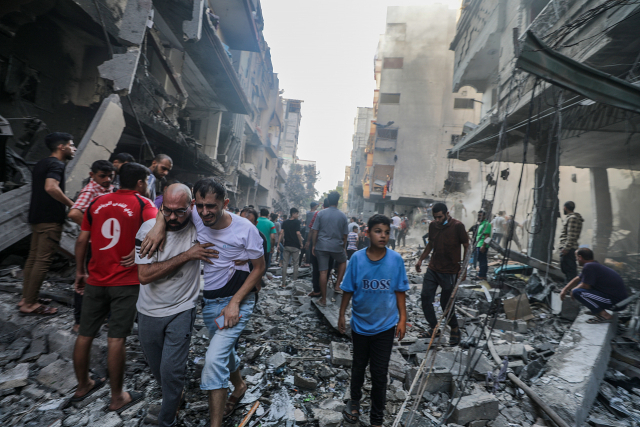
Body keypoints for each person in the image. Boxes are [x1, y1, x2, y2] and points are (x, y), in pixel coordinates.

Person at [139, 178, 265, 427]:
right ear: (195, 204)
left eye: (212, 206)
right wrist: (159, 225)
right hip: (210, 303)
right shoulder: (195, 216)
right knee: (223, 349)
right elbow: (172, 207)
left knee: (213, 361)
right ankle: (239, 386)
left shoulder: (245, 229)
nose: (206, 212)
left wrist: (235, 303)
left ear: (225, 203)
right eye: (201, 206)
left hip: (237, 302)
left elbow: (259, 269)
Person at [71, 162, 157, 412]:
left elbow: (82, 239)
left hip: (96, 279)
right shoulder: (143, 204)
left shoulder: (97, 203)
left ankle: (82, 385)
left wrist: (80, 271)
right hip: (126, 282)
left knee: (85, 333)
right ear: (141, 183)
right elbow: (157, 230)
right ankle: (117, 397)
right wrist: (138, 251)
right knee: (116, 338)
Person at [135, 184, 218, 427]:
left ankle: (167, 420)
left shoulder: (199, 226)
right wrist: (187, 255)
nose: (173, 217)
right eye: (167, 211)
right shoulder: (148, 230)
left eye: (179, 212)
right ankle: (174, 395)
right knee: (159, 371)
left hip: (182, 308)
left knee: (172, 372)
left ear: (191, 207)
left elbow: (223, 219)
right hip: (148, 310)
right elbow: (145, 275)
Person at [338, 214, 408, 427]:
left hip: (385, 326)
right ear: (367, 233)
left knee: (379, 373)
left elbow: (399, 291)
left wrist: (403, 319)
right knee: (358, 366)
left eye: (387, 232)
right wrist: (341, 314)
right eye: (378, 231)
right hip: (360, 325)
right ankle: (355, 401)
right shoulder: (357, 259)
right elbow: (348, 290)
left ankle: (377, 418)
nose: (383, 236)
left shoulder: (395, 260)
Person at [19, 132, 76, 315]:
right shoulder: (56, 164)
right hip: (50, 219)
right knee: (42, 262)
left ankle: (26, 298)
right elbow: (51, 187)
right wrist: (71, 204)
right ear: (62, 147)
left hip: (36, 217)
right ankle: (31, 304)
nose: (74, 148)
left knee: (33, 259)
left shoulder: (42, 163)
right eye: (71, 144)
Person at [68, 159, 116, 332]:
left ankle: (101, 315)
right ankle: (79, 322)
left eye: (110, 176)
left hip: (106, 244)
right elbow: (73, 213)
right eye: (102, 176)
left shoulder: (108, 188)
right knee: (85, 281)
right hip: (91, 245)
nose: (107, 179)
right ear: (92, 175)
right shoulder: (90, 190)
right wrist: (95, 229)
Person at [414, 203, 469, 345]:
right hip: (433, 268)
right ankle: (434, 328)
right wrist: (420, 259)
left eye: (440, 217)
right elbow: (431, 244)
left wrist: (464, 268)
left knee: (446, 304)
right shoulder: (433, 225)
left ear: (447, 213)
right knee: (425, 297)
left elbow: (467, 246)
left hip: (450, 271)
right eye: (435, 217)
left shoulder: (458, 226)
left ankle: (455, 328)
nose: (437, 220)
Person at [560, 248, 628, 324]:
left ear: (580, 257)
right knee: (579, 286)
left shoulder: (589, 266)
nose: (576, 260)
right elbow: (577, 279)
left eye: (576, 257)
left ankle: (605, 315)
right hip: (618, 300)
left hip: (616, 302)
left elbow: (586, 286)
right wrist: (565, 289)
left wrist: (572, 290)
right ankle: (597, 309)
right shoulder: (593, 265)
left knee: (577, 292)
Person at [312, 191, 349, 306]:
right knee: (343, 261)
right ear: (337, 202)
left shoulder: (320, 214)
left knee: (323, 272)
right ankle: (338, 285)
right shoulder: (343, 216)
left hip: (322, 246)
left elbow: (315, 231)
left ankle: (323, 300)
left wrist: (314, 245)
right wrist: (343, 247)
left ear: (327, 201)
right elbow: (345, 235)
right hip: (336, 246)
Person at [558, 201, 584, 285]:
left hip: (569, 248)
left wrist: (566, 248)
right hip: (569, 248)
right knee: (566, 269)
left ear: (565, 207)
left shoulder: (572, 218)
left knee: (570, 270)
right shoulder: (573, 218)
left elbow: (571, 235)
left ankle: (570, 288)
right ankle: (568, 287)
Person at [280, 208, 304, 286]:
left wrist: (278, 244)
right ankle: (294, 282)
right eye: (297, 214)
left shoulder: (285, 222)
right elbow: (298, 233)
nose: (298, 215)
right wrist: (301, 243)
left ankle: (283, 283)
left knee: (285, 264)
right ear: (293, 214)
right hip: (295, 246)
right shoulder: (297, 222)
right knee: (295, 264)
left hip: (287, 245)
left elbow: (281, 233)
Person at [474, 210, 491, 280]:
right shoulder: (481, 224)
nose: (479, 217)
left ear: (484, 216)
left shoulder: (487, 224)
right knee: (480, 259)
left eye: (481, 215)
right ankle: (481, 274)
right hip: (479, 244)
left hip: (482, 244)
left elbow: (487, 236)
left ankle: (482, 275)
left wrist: (483, 246)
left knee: (483, 260)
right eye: (478, 215)